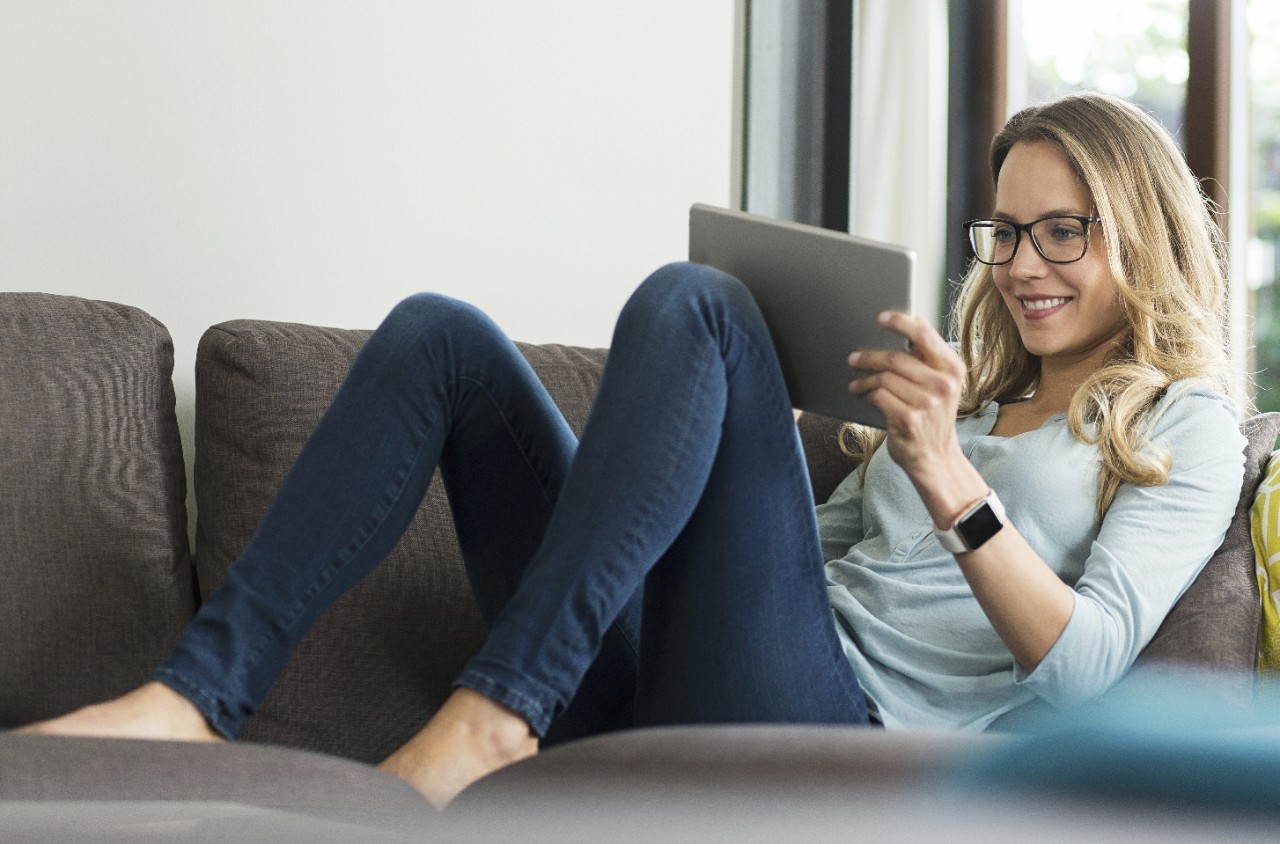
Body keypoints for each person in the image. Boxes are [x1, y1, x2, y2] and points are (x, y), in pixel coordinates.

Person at [21, 91, 1246, 809]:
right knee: (443, 338)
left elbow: (1087, 669)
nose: (1022, 265)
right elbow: (795, 575)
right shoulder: (962, 400)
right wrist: (740, 459)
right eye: (1004, 233)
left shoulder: (1182, 422)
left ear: (1133, 232)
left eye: (1060, 233)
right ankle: (193, 697)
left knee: (697, 300)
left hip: (835, 737)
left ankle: (497, 717)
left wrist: (944, 478)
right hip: (691, 675)